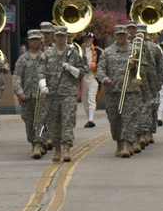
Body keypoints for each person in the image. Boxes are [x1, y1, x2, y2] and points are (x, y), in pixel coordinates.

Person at [39, 25, 85, 162]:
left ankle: (66, 148)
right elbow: (41, 71)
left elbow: (82, 72)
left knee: (68, 122)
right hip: (52, 94)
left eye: (62, 36)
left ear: (66, 37)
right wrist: (43, 86)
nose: (60, 38)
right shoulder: (47, 53)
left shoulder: (73, 53)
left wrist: (71, 68)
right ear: (54, 36)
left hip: (68, 93)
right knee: (54, 123)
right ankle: (57, 149)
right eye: (57, 36)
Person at [97, 25, 140, 157]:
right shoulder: (107, 52)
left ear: (127, 35)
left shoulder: (135, 50)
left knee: (129, 118)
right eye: (119, 34)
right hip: (113, 91)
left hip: (130, 90)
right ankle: (119, 142)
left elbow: (143, 69)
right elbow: (100, 69)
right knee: (114, 119)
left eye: (123, 34)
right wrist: (104, 78)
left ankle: (127, 143)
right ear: (114, 36)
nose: (121, 37)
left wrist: (134, 66)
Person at [13, 29, 47, 158]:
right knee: (28, 121)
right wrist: (19, 91)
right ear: (29, 41)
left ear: (40, 41)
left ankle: (38, 144)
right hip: (27, 96)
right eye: (32, 40)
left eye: (37, 39)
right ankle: (33, 142)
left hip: (42, 95)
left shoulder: (45, 57)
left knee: (41, 120)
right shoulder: (23, 59)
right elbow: (17, 76)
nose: (35, 42)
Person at [79, 31, 102, 128]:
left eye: (90, 39)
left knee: (92, 97)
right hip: (83, 77)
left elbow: (101, 64)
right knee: (85, 99)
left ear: (92, 39)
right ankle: (89, 119)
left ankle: (91, 119)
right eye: (86, 38)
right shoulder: (80, 50)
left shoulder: (97, 51)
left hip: (93, 76)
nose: (88, 40)